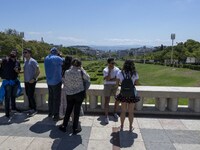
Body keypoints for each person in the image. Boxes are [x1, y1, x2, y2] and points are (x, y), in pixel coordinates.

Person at [59, 58, 90, 134]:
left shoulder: (67, 72)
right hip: (79, 94)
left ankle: (64, 126)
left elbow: (63, 80)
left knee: (68, 111)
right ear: (79, 65)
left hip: (69, 94)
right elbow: (88, 78)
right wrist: (82, 69)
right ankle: (75, 128)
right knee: (76, 111)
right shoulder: (80, 72)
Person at [115, 60, 140, 131]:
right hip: (131, 94)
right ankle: (130, 126)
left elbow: (117, 84)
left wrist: (122, 84)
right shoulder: (135, 73)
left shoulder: (120, 72)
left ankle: (122, 126)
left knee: (123, 111)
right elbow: (136, 83)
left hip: (123, 94)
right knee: (131, 112)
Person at [0, 50, 21, 118]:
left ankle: (14, 109)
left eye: (14, 53)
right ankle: (7, 112)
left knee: (13, 96)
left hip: (14, 81)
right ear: (10, 54)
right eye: (12, 52)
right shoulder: (5, 60)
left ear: (16, 54)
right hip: (7, 82)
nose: (13, 53)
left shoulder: (17, 62)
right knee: (7, 97)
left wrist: (17, 70)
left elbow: (18, 71)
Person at [44, 47, 63, 121]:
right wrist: (60, 56)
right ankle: (56, 115)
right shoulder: (58, 58)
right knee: (56, 99)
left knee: (51, 97)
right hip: (56, 81)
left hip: (49, 81)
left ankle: (50, 112)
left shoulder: (46, 58)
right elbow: (64, 62)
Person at [23, 48, 40, 116]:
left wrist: (33, 78)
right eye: (24, 52)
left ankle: (34, 109)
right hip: (26, 81)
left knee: (31, 95)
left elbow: (38, 71)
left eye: (25, 52)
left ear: (29, 53)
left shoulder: (33, 61)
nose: (24, 53)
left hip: (31, 81)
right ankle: (31, 108)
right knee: (28, 95)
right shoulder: (25, 61)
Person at [103, 58, 120, 124]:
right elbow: (107, 79)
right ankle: (106, 116)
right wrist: (109, 71)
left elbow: (117, 78)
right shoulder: (105, 70)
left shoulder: (117, 69)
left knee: (118, 99)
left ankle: (115, 112)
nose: (113, 64)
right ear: (108, 63)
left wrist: (110, 79)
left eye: (114, 63)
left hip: (115, 86)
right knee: (107, 100)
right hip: (107, 86)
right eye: (112, 63)